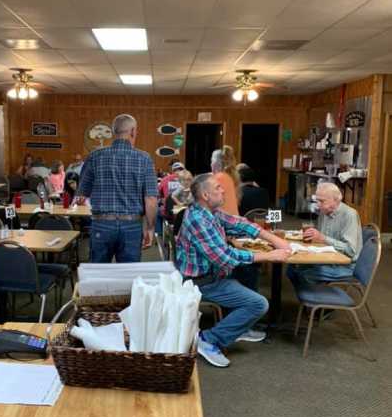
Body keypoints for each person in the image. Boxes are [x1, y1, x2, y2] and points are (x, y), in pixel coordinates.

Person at [176, 173, 291, 368]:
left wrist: (271, 238)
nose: (223, 191)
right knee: (258, 304)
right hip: (203, 282)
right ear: (205, 195)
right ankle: (208, 339)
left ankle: (237, 328)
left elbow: (239, 222)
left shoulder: (209, 212)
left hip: (214, 275)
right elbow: (224, 257)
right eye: (217, 188)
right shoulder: (198, 220)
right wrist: (269, 256)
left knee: (248, 274)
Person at [78, 114, 158, 263]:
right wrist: (150, 228)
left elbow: (82, 195)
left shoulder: (94, 156)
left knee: (98, 275)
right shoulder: (144, 158)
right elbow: (151, 199)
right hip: (131, 225)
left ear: (114, 132)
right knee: (129, 276)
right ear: (133, 131)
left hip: (101, 224)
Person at [287, 182, 362, 287]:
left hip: (344, 266)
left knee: (305, 274)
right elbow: (319, 236)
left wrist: (323, 238)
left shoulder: (349, 215)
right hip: (327, 258)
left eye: (321, 201)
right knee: (291, 268)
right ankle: (309, 298)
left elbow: (350, 250)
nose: (318, 204)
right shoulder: (324, 211)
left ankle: (315, 300)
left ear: (336, 200)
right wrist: (312, 234)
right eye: (317, 200)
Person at [211, 146, 240, 216]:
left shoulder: (219, 178)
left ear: (215, 163)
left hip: (226, 224)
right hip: (234, 222)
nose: (210, 164)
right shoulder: (229, 177)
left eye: (211, 161)